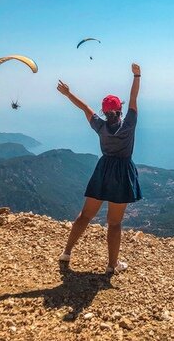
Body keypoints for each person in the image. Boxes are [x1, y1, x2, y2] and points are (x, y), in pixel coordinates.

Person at [56, 63, 142, 275]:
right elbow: (133, 98)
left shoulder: (100, 126)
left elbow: (85, 108)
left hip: (103, 171)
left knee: (85, 215)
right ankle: (112, 266)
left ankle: (66, 252)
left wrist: (68, 93)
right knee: (114, 223)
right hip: (122, 174)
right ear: (120, 110)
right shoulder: (129, 123)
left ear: (104, 112)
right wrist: (137, 75)